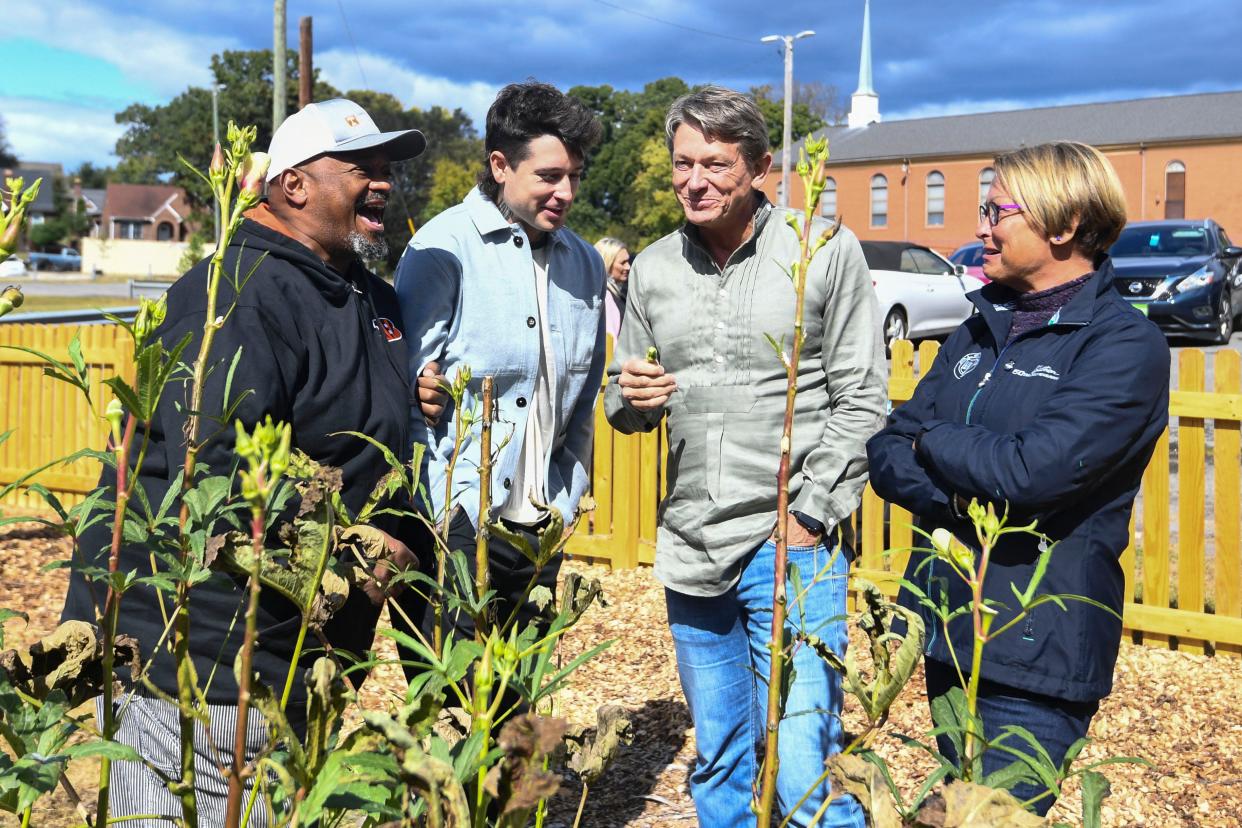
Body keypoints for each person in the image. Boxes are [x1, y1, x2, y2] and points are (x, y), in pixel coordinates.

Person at [61, 98, 428, 824]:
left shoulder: (361, 289)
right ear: (292, 185)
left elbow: (365, 418)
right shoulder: (235, 297)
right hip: (205, 648)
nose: (383, 183)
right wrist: (357, 548)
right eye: (363, 168)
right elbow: (216, 473)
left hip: (304, 642)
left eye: (388, 170)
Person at [604, 86, 884, 827]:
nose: (694, 180)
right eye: (682, 164)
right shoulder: (655, 268)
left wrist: (808, 518)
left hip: (790, 547)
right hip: (693, 547)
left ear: (760, 167)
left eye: (715, 164)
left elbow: (863, 400)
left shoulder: (822, 251)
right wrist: (628, 398)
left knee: (805, 768)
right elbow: (619, 398)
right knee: (723, 754)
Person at [866, 141, 1170, 816]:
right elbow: (886, 451)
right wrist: (956, 477)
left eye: (997, 209)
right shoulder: (980, 327)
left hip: (1038, 653)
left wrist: (934, 440)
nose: (980, 227)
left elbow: (1032, 473)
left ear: (1061, 224)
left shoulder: (1120, 344)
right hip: (950, 628)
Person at [394, 81, 605, 647]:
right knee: (451, 705)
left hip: (540, 525)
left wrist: (566, 496)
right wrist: (440, 515)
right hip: (457, 524)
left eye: (575, 177)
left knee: (522, 712)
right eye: (549, 176)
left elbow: (581, 402)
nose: (566, 192)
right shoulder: (441, 251)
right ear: (500, 165)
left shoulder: (585, 264)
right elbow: (408, 390)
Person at [593, 236, 631, 337]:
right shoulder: (606, 297)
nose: (628, 267)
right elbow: (610, 340)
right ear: (607, 264)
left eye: (628, 261)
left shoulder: (611, 293)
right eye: (623, 263)